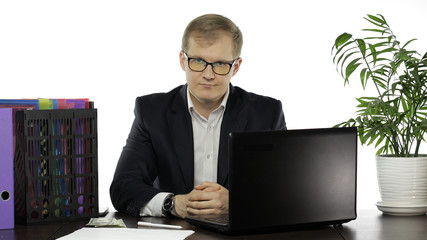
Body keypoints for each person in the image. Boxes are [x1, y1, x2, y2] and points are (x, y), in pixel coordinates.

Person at [110, 14, 287, 218]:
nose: (208, 74)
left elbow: (284, 190)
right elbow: (123, 188)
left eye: (220, 64)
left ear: (236, 67)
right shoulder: (151, 112)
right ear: (182, 61)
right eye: (198, 61)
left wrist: (236, 201)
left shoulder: (266, 113)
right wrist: (173, 203)